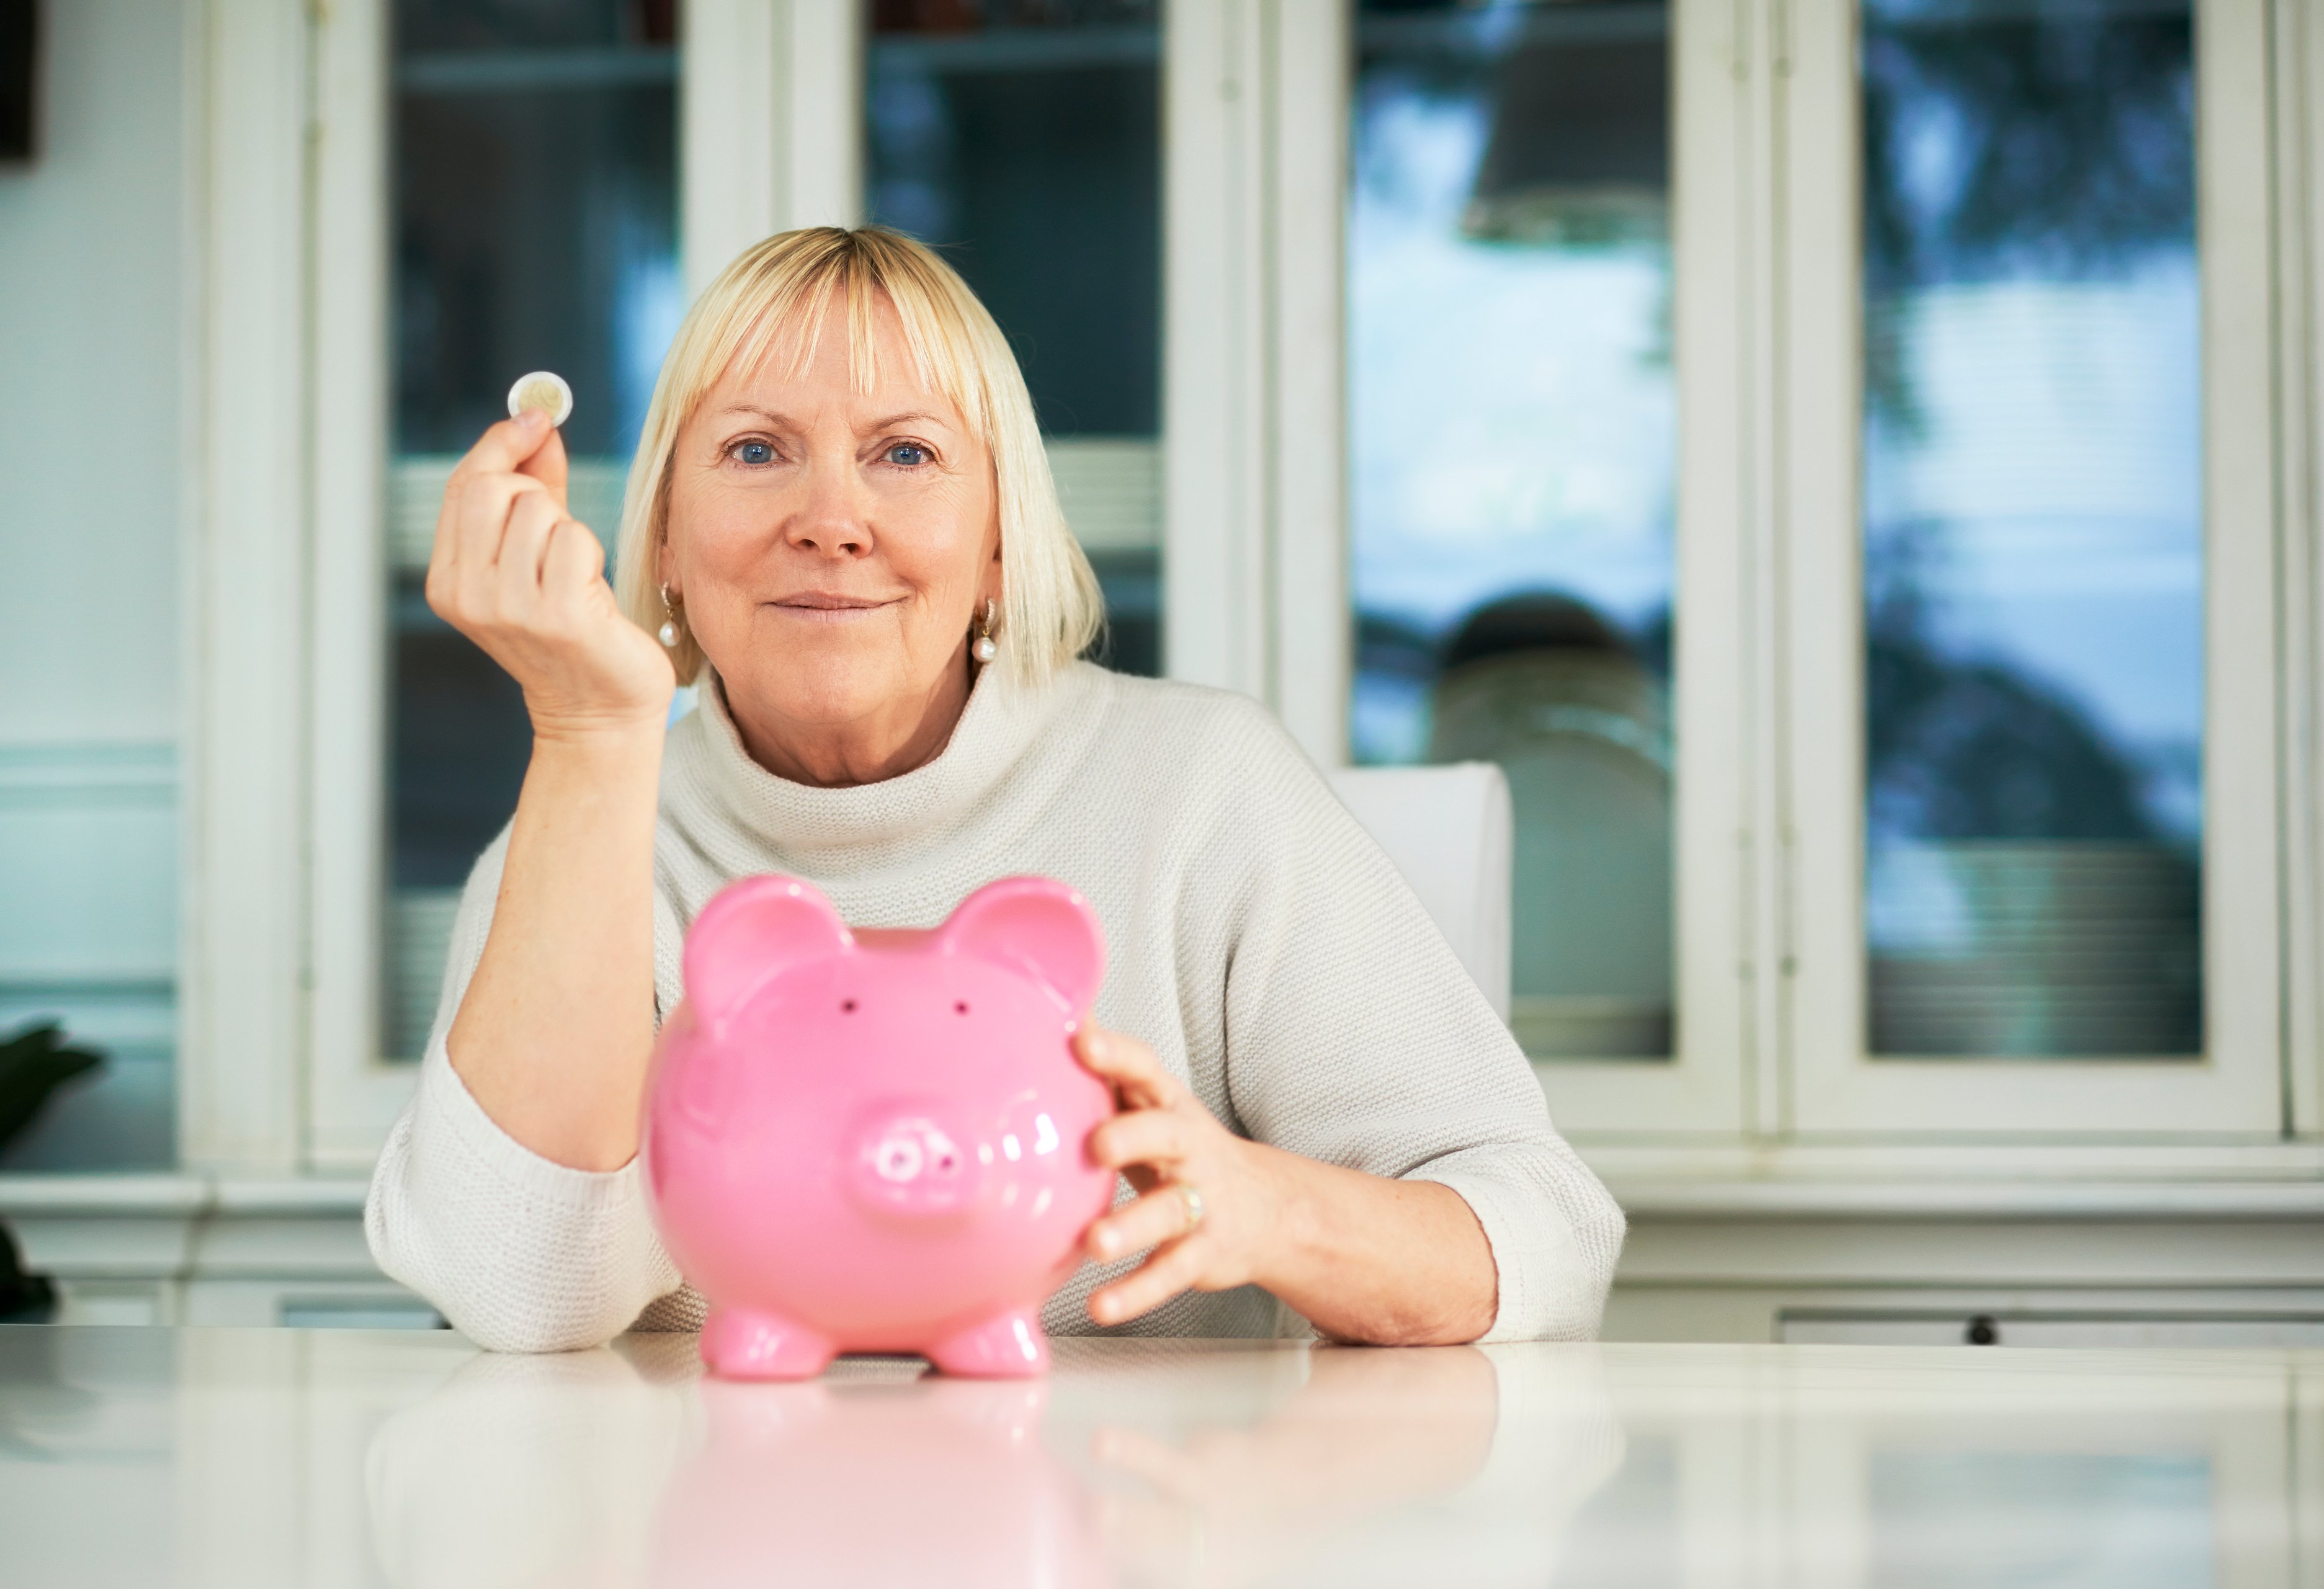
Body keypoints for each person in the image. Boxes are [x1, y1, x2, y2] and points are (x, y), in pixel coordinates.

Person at [365, 226, 1624, 1354]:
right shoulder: (583, 824)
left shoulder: (1204, 790)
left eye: (906, 453)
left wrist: (1273, 1208)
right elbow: (520, 1289)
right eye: (755, 450)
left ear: (999, 546)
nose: (831, 519)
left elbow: (1547, 1229)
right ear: (663, 540)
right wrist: (591, 732)